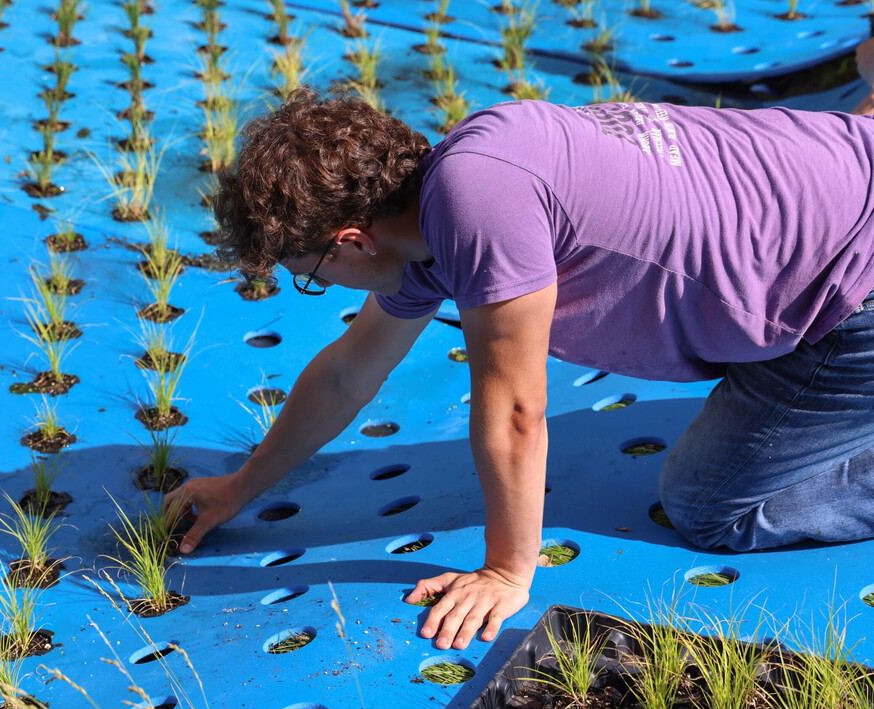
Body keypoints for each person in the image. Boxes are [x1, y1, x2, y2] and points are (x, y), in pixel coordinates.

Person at [165, 40, 874, 653]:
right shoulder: (447, 197)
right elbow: (348, 374)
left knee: (708, 506)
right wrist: (241, 487)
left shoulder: (479, 207)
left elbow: (514, 411)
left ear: (352, 239)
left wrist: (507, 569)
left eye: (315, 277)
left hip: (851, 286)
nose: (331, 288)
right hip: (845, 171)